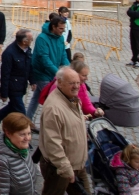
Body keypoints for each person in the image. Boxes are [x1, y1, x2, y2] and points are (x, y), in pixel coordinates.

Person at [38, 67, 91, 195]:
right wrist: (66, 168)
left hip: (77, 163)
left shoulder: (71, 97)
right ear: (59, 83)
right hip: (60, 168)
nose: (76, 86)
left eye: (78, 83)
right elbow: (53, 143)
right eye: (72, 83)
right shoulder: (54, 108)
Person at [0, 113, 43, 195]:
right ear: (8, 133)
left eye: (29, 133)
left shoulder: (22, 149)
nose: (27, 138)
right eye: (22, 134)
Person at [26, 17, 69, 124]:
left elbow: (63, 55)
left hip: (52, 73)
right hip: (41, 73)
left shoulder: (60, 38)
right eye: (60, 28)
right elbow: (44, 59)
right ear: (53, 27)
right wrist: (59, 73)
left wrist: (69, 69)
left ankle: (27, 121)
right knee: (52, 100)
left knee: (36, 98)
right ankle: (50, 124)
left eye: (64, 28)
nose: (63, 30)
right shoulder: (42, 38)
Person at [0, 29, 35, 133]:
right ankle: (25, 131)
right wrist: (4, 92)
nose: (32, 40)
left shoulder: (27, 50)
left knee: (12, 107)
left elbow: (29, 67)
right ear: (24, 41)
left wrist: (32, 81)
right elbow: (5, 74)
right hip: (13, 87)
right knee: (21, 112)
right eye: (30, 39)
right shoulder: (9, 53)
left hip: (22, 85)